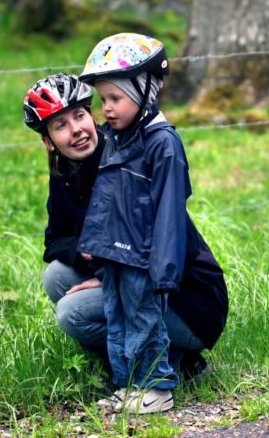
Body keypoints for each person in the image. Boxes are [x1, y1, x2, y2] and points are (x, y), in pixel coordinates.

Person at [23, 69, 227, 411]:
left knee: (72, 313)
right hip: (126, 270)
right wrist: (92, 260)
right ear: (48, 141)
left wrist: (103, 273)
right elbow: (54, 241)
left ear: (92, 115)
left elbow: (147, 241)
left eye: (80, 115)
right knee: (56, 276)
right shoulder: (65, 174)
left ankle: (160, 368)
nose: (76, 130)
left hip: (187, 297)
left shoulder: (122, 158)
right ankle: (154, 365)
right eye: (60, 125)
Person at [73, 32, 218, 415]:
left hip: (145, 258)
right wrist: (95, 243)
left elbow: (170, 215)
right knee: (117, 316)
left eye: (115, 99)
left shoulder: (162, 144)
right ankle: (128, 384)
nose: (106, 108)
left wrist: (164, 273)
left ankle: (157, 387)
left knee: (143, 320)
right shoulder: (118, 139)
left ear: (145, 91)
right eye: (103, 100)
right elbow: (107, 199)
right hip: (118, 255)